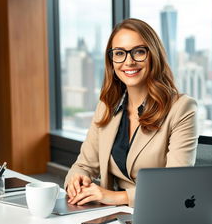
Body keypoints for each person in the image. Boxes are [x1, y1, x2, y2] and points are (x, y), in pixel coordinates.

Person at [64, 18, 198, 207]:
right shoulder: (107, 105)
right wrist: (77, 181)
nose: (129, 61)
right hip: (109, 215)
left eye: (139, 52)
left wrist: (116, 197)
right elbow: (84, 165)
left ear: (153, 55)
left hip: (157, 214)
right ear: (111, 60)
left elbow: (175, 186)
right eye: (119, 53)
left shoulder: (181, 108)